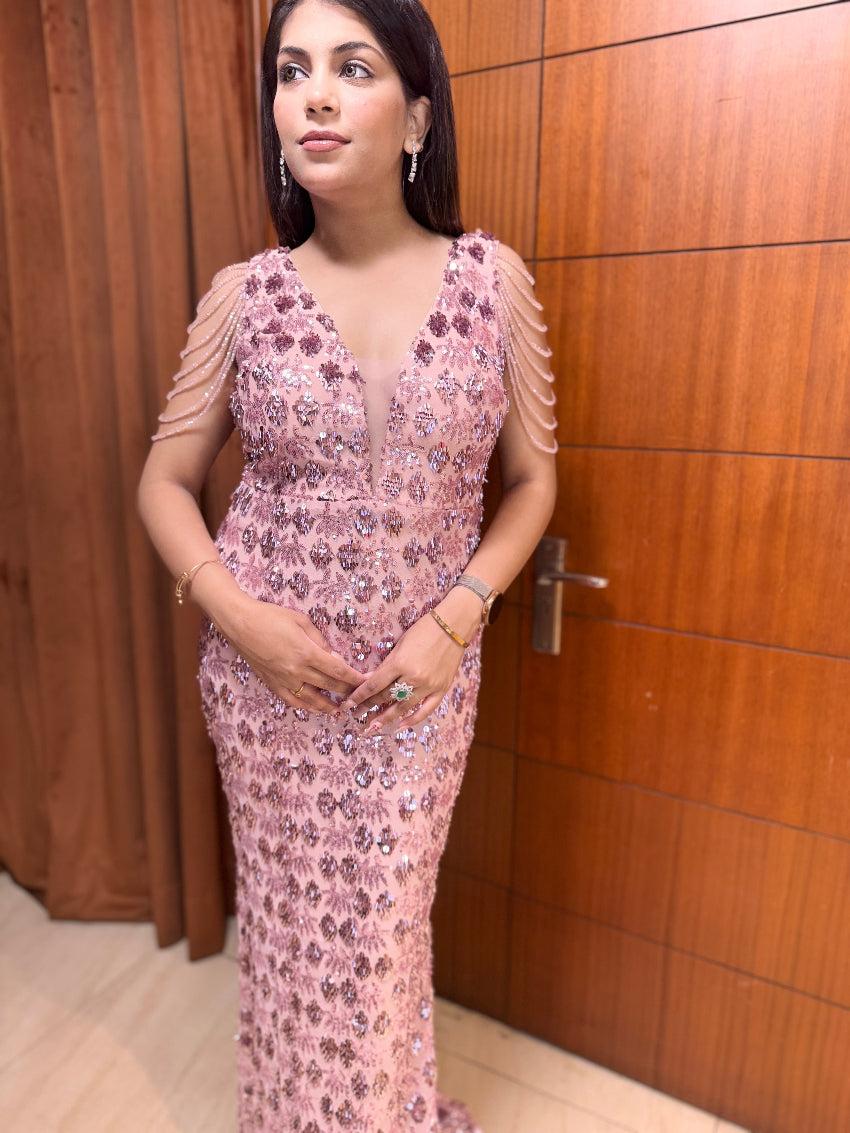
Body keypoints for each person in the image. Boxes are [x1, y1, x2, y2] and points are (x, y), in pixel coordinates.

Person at [138, 1, 557, 1129]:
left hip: (422, 687)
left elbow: (531, 486)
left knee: (380, 931)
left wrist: (458, 614)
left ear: (417, 113)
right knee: (285, 932)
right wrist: (240, 619)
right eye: (291, 72)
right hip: (268, 686)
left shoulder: (490, 282)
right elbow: (162, 483)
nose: (313, 95)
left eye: (351, 66)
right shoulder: (244, 298)